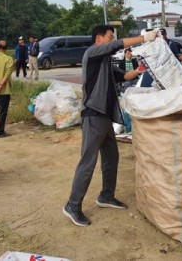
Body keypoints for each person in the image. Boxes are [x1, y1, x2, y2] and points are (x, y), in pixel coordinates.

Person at [63, 25, 157, 227]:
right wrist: (144, 38)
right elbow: (116, 45)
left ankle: (106, 196)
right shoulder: (92, 53)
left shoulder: (104, 62)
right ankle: (72, 205)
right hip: (93, 116)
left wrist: (141, 70)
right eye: (109, 36)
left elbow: (123, 76)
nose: (112, 39)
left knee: (111, 158)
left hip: (105, 118)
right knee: (87, 162)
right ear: (99, 39)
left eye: (112, 37)